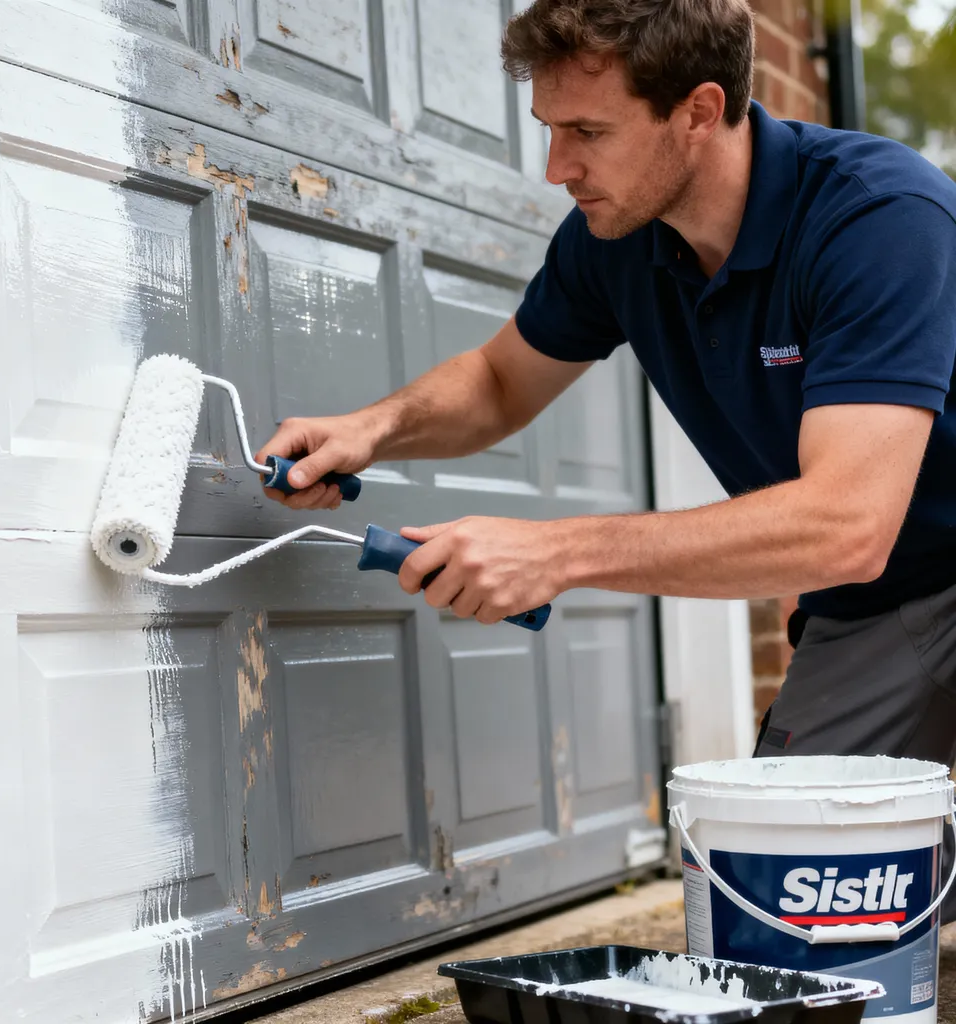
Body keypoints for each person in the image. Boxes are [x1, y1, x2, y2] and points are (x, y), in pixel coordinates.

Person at [255, 0, 956, 858]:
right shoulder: (615, 238)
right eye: (549, 128)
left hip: (899, 555)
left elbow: (848, 524)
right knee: (791, 894)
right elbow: (500, 381)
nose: (557, 167)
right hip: (882, 605)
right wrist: (370, 429)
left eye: (586, 130)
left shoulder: (876, 215)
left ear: (697, 111)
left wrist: (555, 553)